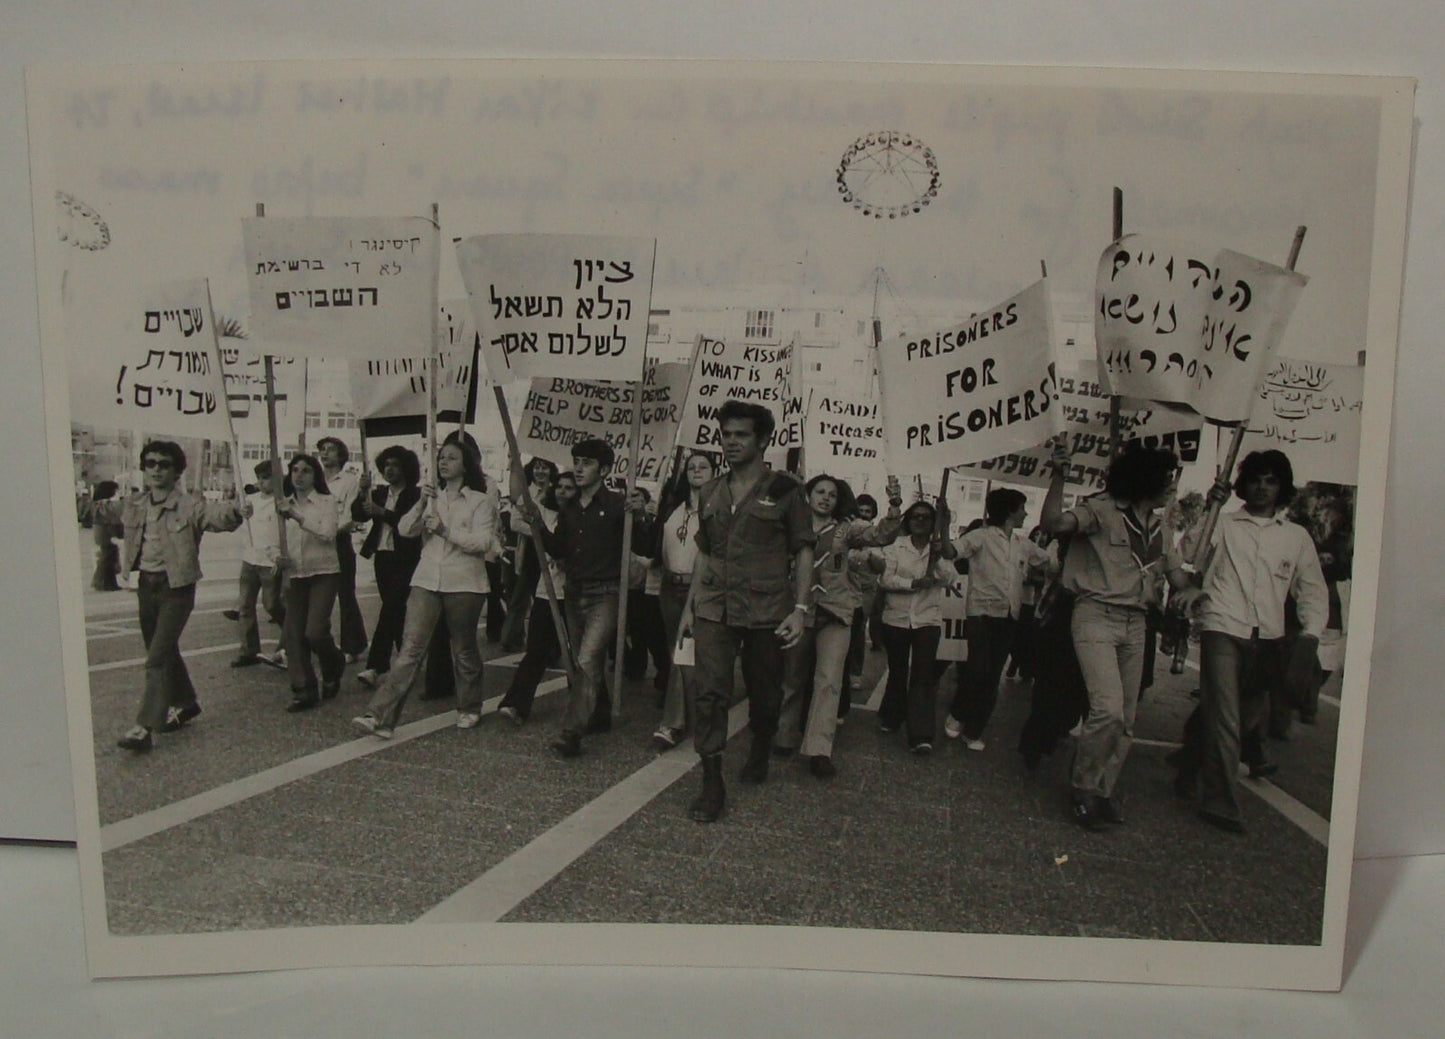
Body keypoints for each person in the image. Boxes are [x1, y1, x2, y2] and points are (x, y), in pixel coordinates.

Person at [1042, 440, 1198, 830]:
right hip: (1095, 615)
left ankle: (1102, 790)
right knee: (1107, 709)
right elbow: (1053, 524)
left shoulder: (1161, 525)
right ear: (1144, 479)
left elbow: (1176, 574)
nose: (1171, 486)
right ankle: (1081, 788)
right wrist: (1059, 475)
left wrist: (1192, 590)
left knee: (1127, 717)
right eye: (1166, 479)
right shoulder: (1101, 510)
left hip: (1136, 622)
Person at [1172, 450, 1328, 833]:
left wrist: (1310, 634)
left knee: (1241, 721)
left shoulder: (1296, 537)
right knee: (1225, 717)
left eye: (1271, 480)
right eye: (1256, 478)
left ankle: (1190, 763)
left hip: (1269, 639)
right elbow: (1188, 553)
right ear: (1244, 484)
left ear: (1282, 488)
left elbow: (1312, 590)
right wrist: (1210, 507)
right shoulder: (1224, 524)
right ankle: (1221, 802)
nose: (1262, 487)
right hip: (1222, 626)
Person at [685, 400, 816, 822]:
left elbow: (804, 549)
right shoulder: (710, 491)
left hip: (766, 609)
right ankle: (711, 781)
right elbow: (704, 554)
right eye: (726, 434)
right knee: (708, 691)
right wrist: (691, 608)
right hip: (714, 607)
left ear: (763, 440)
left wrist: (799, 609)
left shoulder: (785, 490)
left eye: (741, 434)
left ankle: (761, 745)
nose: (731, 442)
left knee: (765, 692)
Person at [85, 441, 243, 751]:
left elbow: (217, 516)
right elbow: (96, 511)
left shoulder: (189, 504)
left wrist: (237, 509)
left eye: (164, 464)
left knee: (156, 657)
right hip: (146, 585)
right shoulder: (134, 504)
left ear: (177, 471)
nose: (156, 469)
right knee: (164, 651)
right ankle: (186, 702)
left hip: (177, 588)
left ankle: (144, 727)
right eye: (151, 463)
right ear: (143, 469)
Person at [352, 438, 500, 737]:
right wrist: (421, 503)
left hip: (465, 582)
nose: (444, 463)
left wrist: (445, 531)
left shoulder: (480, 500)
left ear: (466, 464)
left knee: (463, 648)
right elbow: (406, 530)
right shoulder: (431, 497)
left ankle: (469, 706)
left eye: (452, 458)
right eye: (441, 458)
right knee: (410, 649)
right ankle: (380, 715)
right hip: (426, 578)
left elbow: (483, 543)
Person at [523, 438, 654, 758]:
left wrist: (639, 518)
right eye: (576, 461)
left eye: (587, 463)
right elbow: (560, 550)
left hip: (605, 594)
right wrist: (538, 526)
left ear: (605, 470)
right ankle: (598, 712)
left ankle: (571, 732)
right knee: (582, 661)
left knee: (587, 659)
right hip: (574, 591)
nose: (578, 468)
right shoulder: (568, 508)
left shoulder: (618, 504)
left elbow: (645, 547)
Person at [776, 474, 902, 777]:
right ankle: (783, 734)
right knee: (791, 678)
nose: (825, 498)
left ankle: (819, 749)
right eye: (819, 492)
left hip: (835, 614)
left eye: (832, 494)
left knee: (829, 680)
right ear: (808, 495)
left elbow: (881, 535)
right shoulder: (792, 526)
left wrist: (895, 503)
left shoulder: (847, 529)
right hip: (798, 612)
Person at [943, 487, 1054, 751]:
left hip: (1009, 616)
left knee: (992, 676)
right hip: (981, 613)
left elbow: (1050, 562)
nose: (1026, 513)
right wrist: (943, 523)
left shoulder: (1023, 543)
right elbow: (950, 552)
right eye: (1022, 508)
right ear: (1009, 510)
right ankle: (958, 712)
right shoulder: (980, 537)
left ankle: (974, 730)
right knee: (977, 669)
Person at [875, 499, 958, 755]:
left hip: (927, 620)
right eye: (916, 517)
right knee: (898, 671)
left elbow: (950, 578)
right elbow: (885, 579)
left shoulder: (938, 550)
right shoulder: (895, 548)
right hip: (896, 618)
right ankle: (891, 716)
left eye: (926, 517)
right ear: (908, 522)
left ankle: (921, 733)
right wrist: (912, 584)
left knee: (923, 676)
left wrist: (939, 555)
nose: (921, 521)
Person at [496, 471, 576, 724]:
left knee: (580, 654)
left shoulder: (584, 516)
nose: (563, 491)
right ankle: (516, 703)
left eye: (569, 488)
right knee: (536, 650)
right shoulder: (545, 512)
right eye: (560, 486)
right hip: (548, 589)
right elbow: (518, 514)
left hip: (576, 592)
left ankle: (585, 707)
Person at [651, 452, 715, 751]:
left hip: (699, 588)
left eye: (703, 466)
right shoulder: (674, 508)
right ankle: (695, 717)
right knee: (679, 655)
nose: (697, 471)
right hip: (669, 586)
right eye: (692, 467)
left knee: (684, 652)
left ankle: (673, 724)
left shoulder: (718, 509)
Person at [276, 454, 346, 713]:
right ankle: (304, 689)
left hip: (323, 572)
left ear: (315, 475)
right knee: (294, 634)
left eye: (305, 470)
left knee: (315, 631)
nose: (299, 475)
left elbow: (328, 532)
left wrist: (296, 516)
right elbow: (274, 539)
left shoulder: (326, 502)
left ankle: (333, 663)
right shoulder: (282, 505)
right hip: (294, 574)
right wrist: (276, 556)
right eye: (294, 470)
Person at [353, 446, 423, 689]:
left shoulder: (415, 495)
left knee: (391, 607)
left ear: (405, 468)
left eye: (395, 464)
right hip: (382, 555)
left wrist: (383, 513)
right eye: (386, 465)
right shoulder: (379, 493)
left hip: (406, 557)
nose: (389, 469)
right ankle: (407, 662)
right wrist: (363, 492)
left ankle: (376, 665)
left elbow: (407, 524)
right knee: (394, 611)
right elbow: (359, 515)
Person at [315, 435, 368, 663]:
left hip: (338, 541)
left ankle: (352, 646)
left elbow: (349, 517)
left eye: (330, 449)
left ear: (341, 455)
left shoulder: (348, 482)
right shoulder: (315, 481)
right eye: (322, 449)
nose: (325, 453)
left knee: (345, 594)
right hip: (315, 542)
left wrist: (330, 531)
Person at [498, 456, 558, 652]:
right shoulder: (526, 494)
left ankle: (551, 644)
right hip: (530, 553)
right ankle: (511, 637)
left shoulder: (558, 492)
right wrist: (537, 531)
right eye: (537, 467)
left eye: (545, 467)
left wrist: (546, 533)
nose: (540, 471)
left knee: (548, 601)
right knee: (519, 598)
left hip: (550, 553)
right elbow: (515, 523)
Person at [230, 460, 285, 668]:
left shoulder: (282, 502)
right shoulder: (250, 500)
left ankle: (292, 633)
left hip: (270, 560)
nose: (262, 483)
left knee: (272, 604)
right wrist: (240, 512)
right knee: (245, 606)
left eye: (267, 478)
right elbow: (236, 515)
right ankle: (249, 650)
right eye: (260, 478)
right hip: (250, 558)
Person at [89, 480, 123, 591]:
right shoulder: (103, 504)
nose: (116, 493)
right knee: (107, 557)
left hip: (102, 530)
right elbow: (112, 514)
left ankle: (107, 582)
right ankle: (102, 582)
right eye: (115, 490)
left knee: (109, 556)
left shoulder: (97, 503)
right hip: (104, 532)